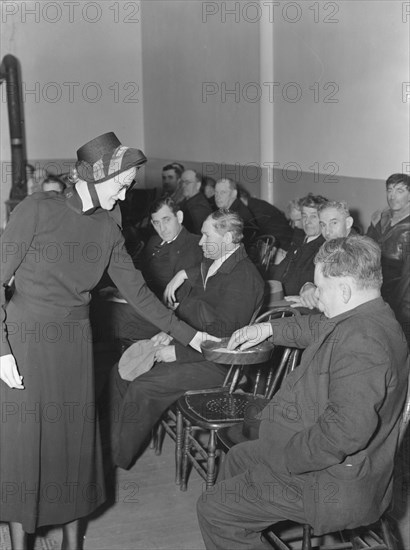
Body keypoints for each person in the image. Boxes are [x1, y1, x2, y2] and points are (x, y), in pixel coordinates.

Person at [0, 132, 213, 549]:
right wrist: (2, 348)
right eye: (122, 184)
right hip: (24, 343)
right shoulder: (37, 209)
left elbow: (139, 295)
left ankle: (71, 544)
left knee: (74, 447)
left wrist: (194, 336)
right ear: (97, 174)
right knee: (27, 448)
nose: (124, 194)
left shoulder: (107, 226)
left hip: (74, 344)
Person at [197, 235, 409, 549]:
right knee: (239, 459)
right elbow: (315, 326)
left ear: (345, 290)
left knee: (214, 510)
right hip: (322, 461)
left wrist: (287, 458)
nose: (315, 296)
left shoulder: (365, 343)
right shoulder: (367, 314)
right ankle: (239, 532)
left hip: (332, 483)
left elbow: (343, 432)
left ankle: (230, 527)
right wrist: (267, 328)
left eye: (319, 288)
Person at [109, 210, 265, 470]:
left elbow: (225, 341)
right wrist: (170, 333)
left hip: (219, 364)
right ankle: (117, 440)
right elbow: (195, 309)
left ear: (227, 237)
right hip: (194, 346)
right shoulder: (213, 265)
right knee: (121, 370)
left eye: (206, 235)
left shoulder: (244, 280)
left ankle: (116, 460)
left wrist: (177, 353)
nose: (200, 242)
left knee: (143, 386)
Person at [94, 195, 203, 346]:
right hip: (143, 303)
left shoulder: (194, 244)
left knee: (103, 313)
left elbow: (177, 299)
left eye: (167, 220)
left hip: (162, 315)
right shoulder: (154, 242)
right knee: (95, 299)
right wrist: (120, 293)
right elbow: (139, 277)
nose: (162, 228)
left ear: (179, 216)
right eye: (157, 223)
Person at [286, 199, 354, 309]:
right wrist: (308, 287)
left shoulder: (356, 251)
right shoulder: (332, 245)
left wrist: (316, 302)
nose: (327, 231)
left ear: (348, 223)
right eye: (323, 225)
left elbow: (347, 304)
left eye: (334, 223)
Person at [367, 173, 410, 345]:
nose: (392, 196)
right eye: (389, 190)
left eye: (400, 190)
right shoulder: (380, 217)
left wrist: (400, 311)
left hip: (399, 295)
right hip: (374, 286)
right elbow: (366, 248)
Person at [269, 193, 327, 295]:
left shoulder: (323, 247)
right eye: (304, 216)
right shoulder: (301, 240)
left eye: (313, 216)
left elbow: (302, 282)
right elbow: (282, 268)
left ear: (323, 219)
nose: (307, 221)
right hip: (278, 293)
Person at [214, 179, 259, 246]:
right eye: (216, 192)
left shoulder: (237, 215)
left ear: (234, 193)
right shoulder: (230, 210)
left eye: (223, 192)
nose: (218, 196)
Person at [179, 169, 213, 234]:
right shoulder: (187, 202)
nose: (183, 186)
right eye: (181, 182)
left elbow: (198, 235)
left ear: (198, 185)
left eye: (187, 182)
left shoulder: (200, 208)